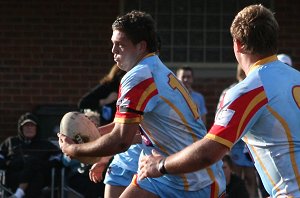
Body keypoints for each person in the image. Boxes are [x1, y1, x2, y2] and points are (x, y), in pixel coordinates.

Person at [58, 10, 225, 198]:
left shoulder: (139, 76)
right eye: (113, 44)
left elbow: (121, 141)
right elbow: (126, 129)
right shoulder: (153, 69)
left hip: (190, 177)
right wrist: (92, 136)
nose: (113, 50)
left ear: (141, 46)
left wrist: (73, 149)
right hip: (167, 167)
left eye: (120, 44)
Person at [139, 4, 300, 197]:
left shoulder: (251, 89)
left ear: (238, 43)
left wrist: (161, 165)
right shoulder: (295, 77)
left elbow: (210, 152)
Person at [217, 65, 258, 198]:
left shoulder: (256, 89)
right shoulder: (229, 91)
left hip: (250, 141)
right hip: (235, 141)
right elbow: (220, 115)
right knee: (235, 175)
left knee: (251, 178)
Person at [0, 112, 61, 198]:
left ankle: (19, 193)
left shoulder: (44, 144)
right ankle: (19, 193)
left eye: (32, 126)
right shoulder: (11, 142)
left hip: (39, 178)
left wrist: (46, 164)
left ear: (37, 128)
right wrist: (5, 164)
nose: (29, 128)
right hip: (14, 175)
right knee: (32, 170)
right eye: (26, 126)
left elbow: (58, 157)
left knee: (33, 164)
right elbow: (1, 155)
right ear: (21, 128)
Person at [62, 110, 105, 198]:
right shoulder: (74, 139)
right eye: (89, 123)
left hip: (99, 174)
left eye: (95, 124)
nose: (93, 126)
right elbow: (66, 161)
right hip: (80, 174)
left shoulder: (104, 140)